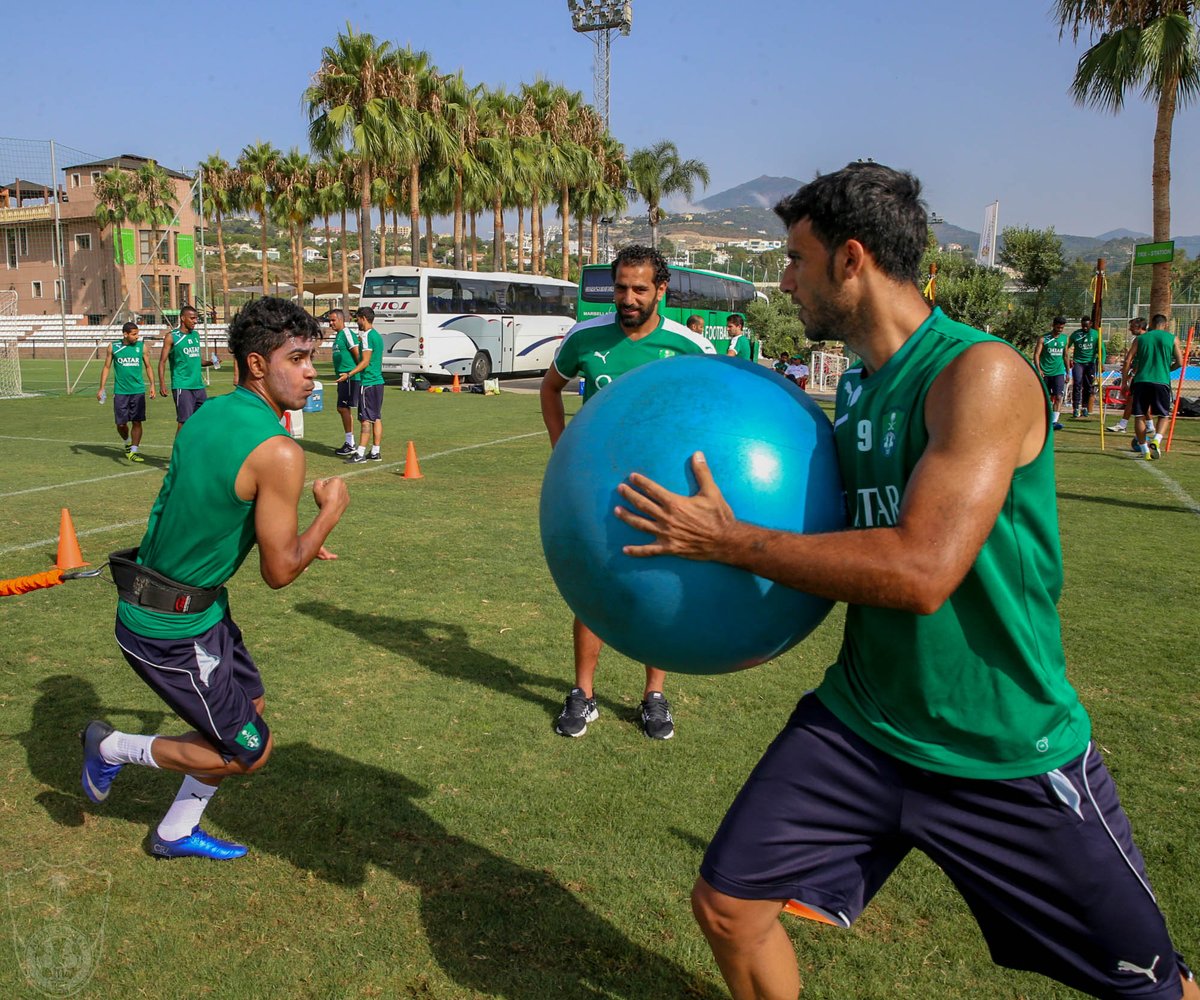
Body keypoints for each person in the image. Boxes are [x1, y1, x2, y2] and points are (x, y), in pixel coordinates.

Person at [612, 163, 1196, 1000]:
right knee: (730, 906)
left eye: (796, 260)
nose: (784, 280)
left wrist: (733, 542)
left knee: (1152, 986)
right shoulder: (855, 386)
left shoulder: (978, 376)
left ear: (852, 260)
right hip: (866, 720)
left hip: (1001, 745)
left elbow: (923, 570)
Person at [80, 297, 349, 860]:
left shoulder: (205, 413)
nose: (310, 372)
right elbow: (279, 574)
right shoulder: (279, 451)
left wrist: (294, 539)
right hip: (169, 628)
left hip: (193, 608)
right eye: (297, 358)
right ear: (256, 364)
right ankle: (111, 747)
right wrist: (327, 513)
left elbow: (209, 507)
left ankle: (175, 830)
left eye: (313, 358)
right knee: (250, 751)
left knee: (250, 709)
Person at [540, 244, 714, 740]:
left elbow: (711, 413)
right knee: (590, 590)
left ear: (661, 289)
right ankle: (583, 694)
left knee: (658, 588)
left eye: (640, 288)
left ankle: (653, 697)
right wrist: (563, 454)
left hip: (662, 494)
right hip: (595, 490)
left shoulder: (688, 347)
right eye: (620, 287)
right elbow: (550, 389)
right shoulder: (585, 337)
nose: (628, 297)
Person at [1125, 312, 1184, 460]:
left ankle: (1145, 451)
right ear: (1165, 324)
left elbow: (1128, 360)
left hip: (1141, 381)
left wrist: (1125, 382)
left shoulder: (1140, 339)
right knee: (1164, 415)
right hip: (1161, 381)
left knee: (1139, 416)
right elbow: (1181, 362)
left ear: (1151, 324)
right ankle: (1156, 441)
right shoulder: (1172, 338)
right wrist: (1167, 369)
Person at [97, 321, 157, 463]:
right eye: (134, 334)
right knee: (121, 424)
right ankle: (127, 442)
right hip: (121, 391)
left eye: (138, 334)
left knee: (137, 422)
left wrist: (152, 385)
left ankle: (134, 451)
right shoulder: (113, 347)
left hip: (138, 391)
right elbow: (106, 367)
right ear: (125, 334)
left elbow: (148, 367)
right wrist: (102, 387)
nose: (137, 337)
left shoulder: (142, 347)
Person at [158, 304, 220, 432]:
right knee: (184, 423)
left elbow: (197, 360)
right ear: (182, 318)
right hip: (183, 386)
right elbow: (162, 362)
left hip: (199, 386)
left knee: (202, 420)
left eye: (196, 318)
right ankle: (178, 452)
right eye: (192, 318)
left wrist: (211, 362)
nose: (195, 321)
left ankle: (195, 451)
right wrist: (162, 384)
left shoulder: (195, 336)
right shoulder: (172, 337)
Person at [338, 306, 384, 464]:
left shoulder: (367, 336)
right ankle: (376, 451)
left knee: (365, 420)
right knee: (376, 417)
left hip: (369, 383)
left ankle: (360, 453)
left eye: (357, 318)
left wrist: (348, 374)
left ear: (363, 318)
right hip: (379, 382)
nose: (356, 321)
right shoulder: (377, 336)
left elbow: (365, 362)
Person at [1110, 317, 1155, 437]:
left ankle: (1124, 425)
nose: (1129, 329)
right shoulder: (1142, 339)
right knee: (1133, 399)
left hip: (1143, 376)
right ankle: (1147, 425)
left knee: (1136, 400)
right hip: (1139, 374)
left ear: (1139, 327)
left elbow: (1136, 359)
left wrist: (1130, 374)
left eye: (1132, 326)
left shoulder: (1142, 339)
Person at [326, 308, 361, 455]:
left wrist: (353, 373)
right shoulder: (338, 336)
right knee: (342, 408)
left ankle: (351, 443)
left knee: (346, 409)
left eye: (333, 320)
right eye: (329, 320)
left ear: (341, 319)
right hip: (343, 379)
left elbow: (358, 356)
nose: (330, 323)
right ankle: (350, 442)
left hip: (351, 378)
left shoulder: (347, 334)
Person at [1034, 315, 1069, 430]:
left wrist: (1068, 372)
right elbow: (1037, 355)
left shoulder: (1064, 339)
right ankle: (1044, 420)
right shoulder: (1043, 339)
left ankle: (1054, 421)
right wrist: (1039, 369)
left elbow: (1066, 356)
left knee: (1059, 396)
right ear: (1053, 326)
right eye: (1058, 327)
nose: (1059, 330)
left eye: (1061, 328)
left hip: (1058, 372)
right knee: (1046, 397)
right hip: (1045, 372)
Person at [1066, 313, 1099, 418]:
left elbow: (1101, 349)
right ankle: (1076, 408)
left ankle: (1084, 407)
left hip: (1090, 363)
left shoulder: (1096, 334)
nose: (1085, 328)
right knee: (1077, 384)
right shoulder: (1076, 334)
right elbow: (1067, 347)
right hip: (1078, 362)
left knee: (1088, 386)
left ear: (1091, 324)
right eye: (1083, 326)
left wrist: (1101, 362)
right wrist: (1069, 358)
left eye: (1087, 325)